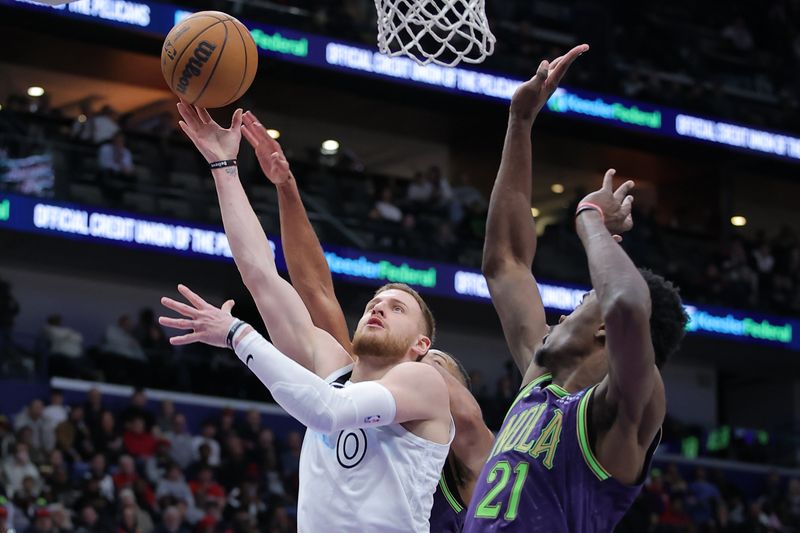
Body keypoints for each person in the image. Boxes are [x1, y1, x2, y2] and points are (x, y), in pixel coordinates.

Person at [160, 102, 453, 532]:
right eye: (376, 302)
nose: (378, 308)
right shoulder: (332, 367)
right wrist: (223, 165)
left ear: (421, 345)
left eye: (397, 308)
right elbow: (259, 273)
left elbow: (328, 412)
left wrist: (237, 335)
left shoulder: (423, 381)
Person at [464, 45, 688, 532]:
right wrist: (520, 122)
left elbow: (628, 302)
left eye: (583, 302)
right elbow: (504, 262)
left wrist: (591, 219)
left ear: (605, 326)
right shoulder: (539, 378)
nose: (562, 317)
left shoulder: (631, 404)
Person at [239, 111, 495, 532]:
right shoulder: (366, 386)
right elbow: (315, 289)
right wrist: (287, 189)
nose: (413, 375)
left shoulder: (473, 454)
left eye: (431, 369)